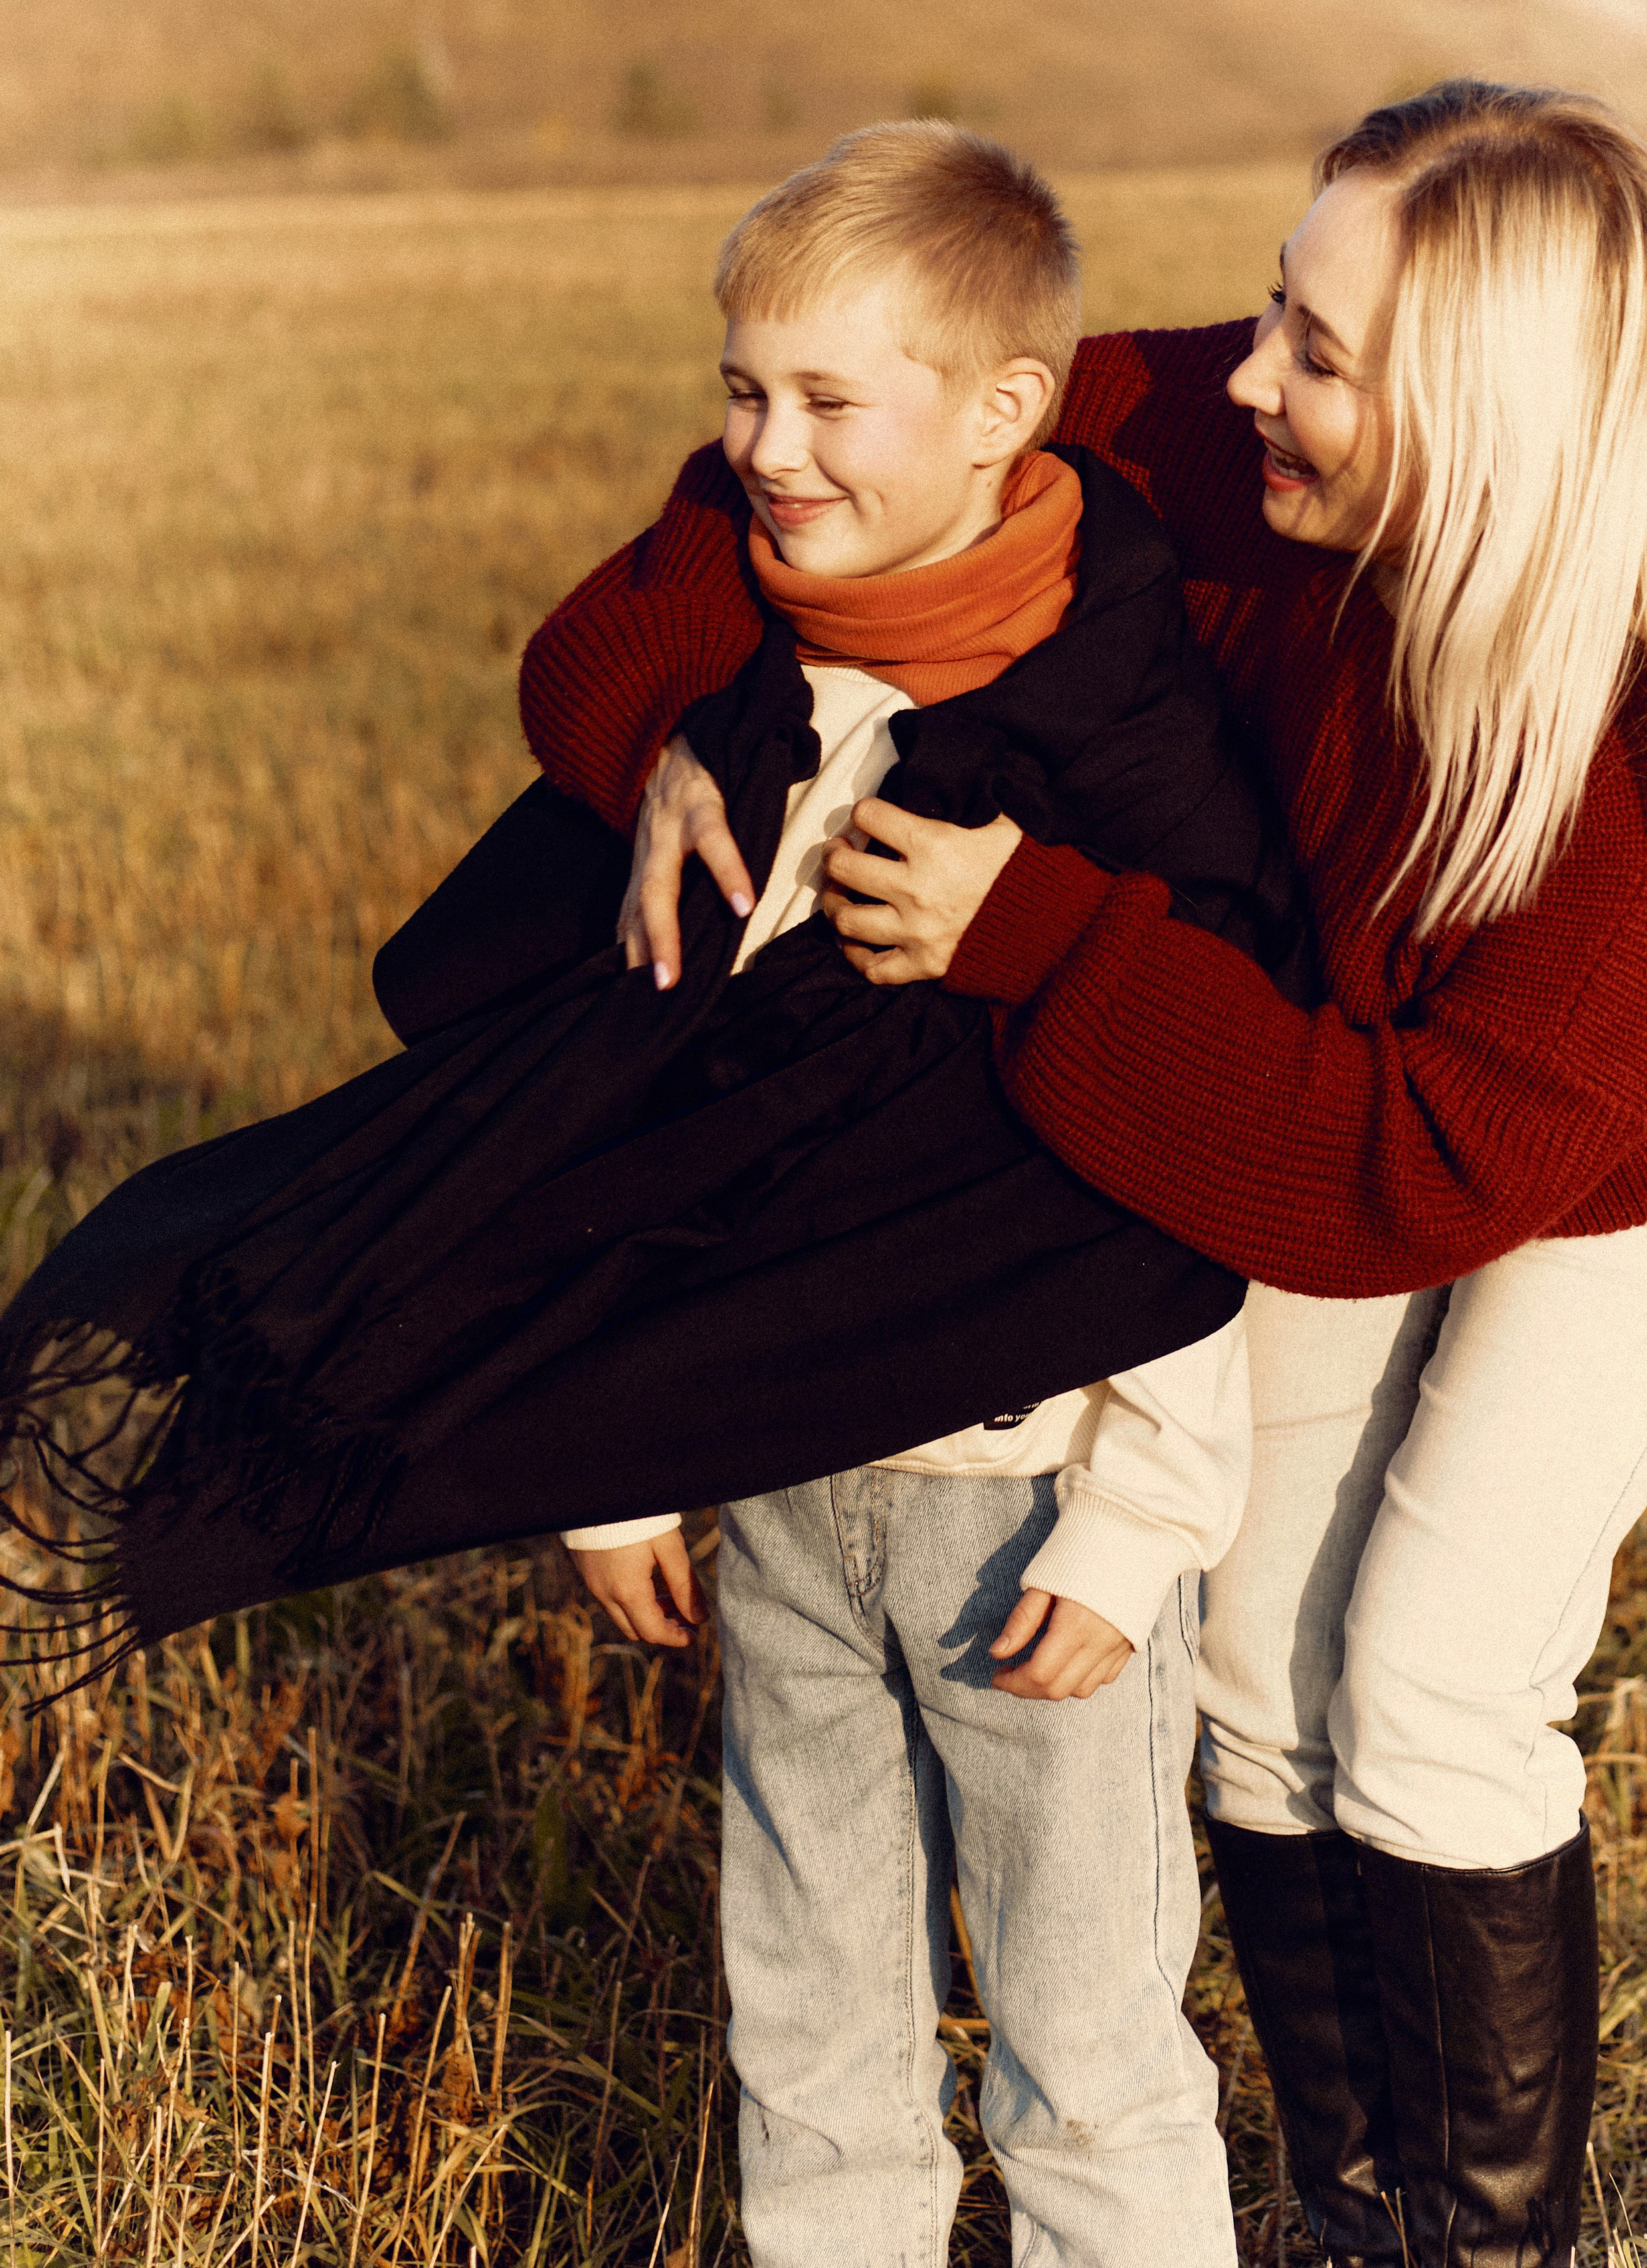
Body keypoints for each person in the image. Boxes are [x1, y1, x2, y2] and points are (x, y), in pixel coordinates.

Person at [0, 124, 1306, 2260]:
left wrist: (1151, 1519)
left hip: (1035, 1507)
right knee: (805, 2002)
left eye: (821, 402)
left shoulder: (1127, 739)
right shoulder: (748, 713)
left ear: (1002, 413)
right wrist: (613, 1463)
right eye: (738, 392)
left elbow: (1173, 1174)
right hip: (766, 1475)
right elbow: (631, 1117)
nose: (760, 452)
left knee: (1086, 2033)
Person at [518, 82, 1647, 2268]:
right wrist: (676, 727)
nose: (1249, 371)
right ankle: (1349, 2209)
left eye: (1321, 353)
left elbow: (1399, 1182)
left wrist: (1044, 934)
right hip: (1319, 1078)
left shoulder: (1627, 798)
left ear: (1489, 417)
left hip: (1584, 1181)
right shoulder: (1231, 453)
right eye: (1275, 305)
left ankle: (1484, 2246)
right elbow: (787, 485)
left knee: (1429, 1685)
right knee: (1247, 1652)